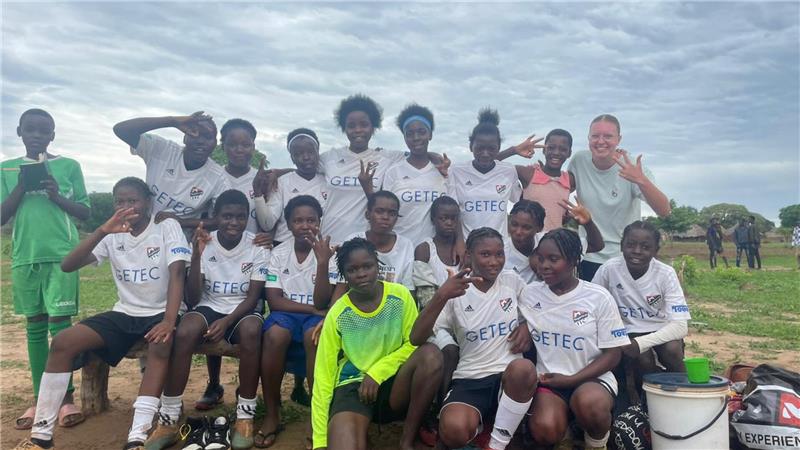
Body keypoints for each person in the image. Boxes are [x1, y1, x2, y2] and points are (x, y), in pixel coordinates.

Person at [14, 177, 190, 450]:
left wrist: (169, 320)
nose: (127, 206)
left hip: (161, 311)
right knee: (63, 342)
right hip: (125, 312)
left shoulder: (166, 226)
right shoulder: (113, 232)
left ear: (148, 203)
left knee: (160, 345)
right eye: (120, 201)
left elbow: (178, 272)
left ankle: (138, 436)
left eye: (133, 200)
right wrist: (102, 231)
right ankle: (41, 435)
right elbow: (68, 265)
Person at [145, 190, 269, 450]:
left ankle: (245, 415)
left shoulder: (257, 245)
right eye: (226, 216)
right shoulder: (205, 242)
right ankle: (168, 418)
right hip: (209, 305)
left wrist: (226, 323)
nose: (233, 222)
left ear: (247, 218)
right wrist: (197, 254)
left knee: (251, 330)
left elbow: (254, 296)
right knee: (186, 330)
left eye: (239, 217)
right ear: (216, 217)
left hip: (242, 309)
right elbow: (192, 297)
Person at [1, 109, 90, 431]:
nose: (37, 135)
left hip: (62, 256)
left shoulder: (68, 166)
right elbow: (1, 216)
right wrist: (21, 187)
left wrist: (57, 196)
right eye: (31, 130)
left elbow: (84, 212)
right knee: (34, 327)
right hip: (25, 256)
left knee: (60, 327)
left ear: (53, 135)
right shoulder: (7, 169)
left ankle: (64, 399)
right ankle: (41, 397)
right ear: (20, 132)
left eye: (44, 131)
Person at [411, 227, 536, 450]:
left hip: (508, 378)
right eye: (485, 254)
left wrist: (526, 324)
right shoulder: (455, 291)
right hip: (471, 377)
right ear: (469, 255)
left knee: (524, 368)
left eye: (499, 254)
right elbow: (416, 337)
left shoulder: (512, 281)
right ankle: (481, 427)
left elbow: (538, 311)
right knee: (454, 431)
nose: (494, 261)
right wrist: (441, 295)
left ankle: (496, 444)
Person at [311, 237, 442, 450]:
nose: (361, 273)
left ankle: (407, 440)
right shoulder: (337, 314)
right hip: (353, 386)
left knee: (431, 355)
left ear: (377, 265)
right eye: (352, 270)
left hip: (394, 382)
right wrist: (320, 441)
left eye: (367, 266)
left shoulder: (399, 296)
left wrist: (378, 372)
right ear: (344, 275)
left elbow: (413, 343)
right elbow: (324, 376)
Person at [520, 228, 630, 450]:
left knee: (590, 404)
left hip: (593, 379)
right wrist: (523, 324)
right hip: (550, 380)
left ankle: (596, 444)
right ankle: (566, 436)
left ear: (573, 261)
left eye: (553, 259)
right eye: (540, 258)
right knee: (545, 429)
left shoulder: (597, 297)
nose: (544, 266)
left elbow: (613, 353)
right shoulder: (530, 294)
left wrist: (572, 380)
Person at [258, 195, 337, 448]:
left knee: (313, 336)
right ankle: (272, 413)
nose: (305, 225)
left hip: (318, 317)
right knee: (274, 335)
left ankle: (318, 417)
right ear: (289, 224)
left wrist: (322, 263)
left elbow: (330, 300)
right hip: (290, 313)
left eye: (311, 220)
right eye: (298, 220)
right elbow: (275, 299)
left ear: (320, 222)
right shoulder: (279, 253)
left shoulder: (332, 253)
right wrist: (314, 309)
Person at [592, 221, 691, 400]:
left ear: (656, 250)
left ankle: (684, 394)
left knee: (672, 350)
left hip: (660, 329)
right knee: (642, 359)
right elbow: (592, 305)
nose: (637, 251)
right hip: (625, 331)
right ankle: (644, 404)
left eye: (645, 247)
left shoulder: (665, 274)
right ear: (622, 246)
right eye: (630, 245)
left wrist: (641, 343)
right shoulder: (609, 269)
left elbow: (680, 326)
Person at [568, 114, 671, 281]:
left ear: (618, 139)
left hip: (624, 258)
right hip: (589, 254)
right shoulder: (579, 161)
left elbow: (665, 211)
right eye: (595, 136)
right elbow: (562, 187)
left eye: (608, 136)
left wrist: (641, 180)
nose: (601, 141)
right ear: (588, 138)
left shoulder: (631, 166)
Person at [113, 111, 228, 231]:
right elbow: (121, 129)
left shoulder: (219, 178)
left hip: (178, 242)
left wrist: (181, 222)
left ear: (215, 143)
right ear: (184, 137)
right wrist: (172, 121)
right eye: (194, 133)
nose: (200, 141)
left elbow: (220, 221)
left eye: (208, 137)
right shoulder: (163, 150)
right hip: (141, 233)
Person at [318, 94, 407, 244]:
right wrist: (276, 173)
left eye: (364, 124)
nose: (358, 130)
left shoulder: (387, 157)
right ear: (344, 128)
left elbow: (419, 154)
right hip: (330, 237)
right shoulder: (330, 157)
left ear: (373, 127)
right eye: (351, 126)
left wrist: (437, 159)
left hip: (365, 242)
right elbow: (303, 168)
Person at [359, 104, 448, 245]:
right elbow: (383, 209)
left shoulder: (443, 170)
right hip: (399, 248)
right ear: (404, 137)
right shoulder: (394, 171)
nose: (416, 137)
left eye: (421, 132)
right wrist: (368, 189)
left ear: (430, 134)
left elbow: (454, 213)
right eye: (410, 133)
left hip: (433, 251)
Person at [326, 191, 416, 306]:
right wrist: (329, 318)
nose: (385, 217)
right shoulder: (354, 239)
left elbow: (409, 291)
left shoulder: (405, 245)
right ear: (368, 214)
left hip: (392, 311)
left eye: (392, 213)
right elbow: (342, 286)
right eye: (379, 211)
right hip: (357, 309)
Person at [447, 109, 523, 240]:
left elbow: (518, 202)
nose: (485, 153)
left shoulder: (508, 171)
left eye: (491, 148)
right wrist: (459, 243)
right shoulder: (456, 171)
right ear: (471, 147)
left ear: (498, 147)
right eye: (480, 148)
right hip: (468, 247)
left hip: (499, 248)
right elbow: (453, 213)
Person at [254, 128, 327, 245]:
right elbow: (267, 224)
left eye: (310, 152)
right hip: (283, 247)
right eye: (298, 154)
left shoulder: (328, 182)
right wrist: (257, 193)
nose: (306, 157)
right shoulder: (281, 182)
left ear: (317, 151)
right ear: (292, 157)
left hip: (317, 249)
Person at [516, 129, 576, 232]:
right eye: (551, 148)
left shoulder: (569, 180)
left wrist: (566, 216)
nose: (556, 153)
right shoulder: (528, 174)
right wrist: (514, 150)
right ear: (544, 150)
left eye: (562, 149)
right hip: (528, 243)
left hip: (554, 244)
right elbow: (492, 164)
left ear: (569, 153)